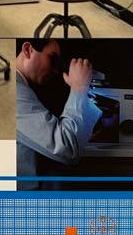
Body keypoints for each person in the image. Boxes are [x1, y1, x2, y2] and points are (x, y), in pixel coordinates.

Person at [15, 39, 102, 189]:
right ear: (28, 50)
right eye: (52, 59)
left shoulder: (21, 86)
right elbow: (66, 149)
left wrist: (83, 132)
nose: (55, 70)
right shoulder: (15, 92)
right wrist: (79, 87)